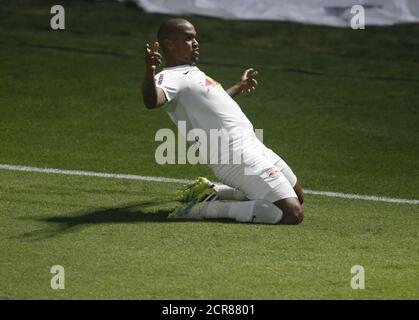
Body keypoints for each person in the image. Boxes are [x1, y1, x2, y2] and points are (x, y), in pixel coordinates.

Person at [142, 18, 304, 224]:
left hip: (254, 146)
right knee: (292, 213)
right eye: (189, 38)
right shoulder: (171, 77)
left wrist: (239, 86)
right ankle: (203, 209)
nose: (196, 43)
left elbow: (215, 104)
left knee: (297, 196)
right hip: (235, 156)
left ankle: (213, 192)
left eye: (195, 38)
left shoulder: (192, 73)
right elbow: (152, 100)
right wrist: (150, 71)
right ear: (170, 44)